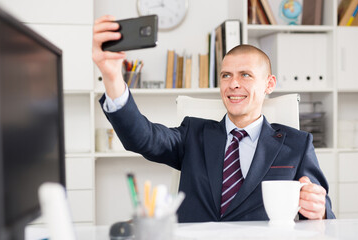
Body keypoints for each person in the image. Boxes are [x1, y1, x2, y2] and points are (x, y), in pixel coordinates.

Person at [92, 15, 335, 222]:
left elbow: (323, 216)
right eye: (226, 75)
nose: (233, 84)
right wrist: (112, 76)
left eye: (246, 75)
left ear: (269, 84)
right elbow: (143, 138)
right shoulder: (193, 134)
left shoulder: (297, 143)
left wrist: (319, 210)